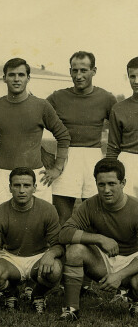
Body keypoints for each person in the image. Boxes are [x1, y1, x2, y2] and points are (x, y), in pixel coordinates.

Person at [0, 167, 63, 315]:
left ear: (34, 188)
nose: (21, 190)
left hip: (38, 258)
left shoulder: (48, 209)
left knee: (55, 269)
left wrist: (50, 254)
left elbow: (59, 245)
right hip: (11, 258)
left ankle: (38, 294)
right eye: (17, 185)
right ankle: (11, 292)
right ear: (10, 188)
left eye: (27, 186)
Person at [59, 159, 138, 321]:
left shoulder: (136, 208)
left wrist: (120, 275)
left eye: (112, 184)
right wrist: (100, 238)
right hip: (104, 261)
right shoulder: (90, 205)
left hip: (132, 264)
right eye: (101, 184)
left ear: (123, 183)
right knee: (75, 250)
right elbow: (64, 233)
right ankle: (71, 308)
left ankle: (134, 299)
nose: (106, 190)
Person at [0, 58, 70, 213]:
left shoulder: (41, 106)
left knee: (39, 225)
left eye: (21, 74)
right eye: (12, 75)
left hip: (36, 174)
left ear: (28, 78)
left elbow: (64, 136)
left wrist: (57, 168)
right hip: (4, 174)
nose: (17, 79)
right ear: (4, 78)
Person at [47, 51, 117, 225]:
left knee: (96, 215)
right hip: (66, 157)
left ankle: (94, 250)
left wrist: (111, 160)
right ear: (70, 71)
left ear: (94, 71)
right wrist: (44, 154)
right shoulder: (57, 97)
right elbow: (33, 120)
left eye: (84, 70)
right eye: (74, 70)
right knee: (62, 216)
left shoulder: (106, 98)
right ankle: (61, 251)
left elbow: (121, 128)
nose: (78, 76)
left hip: (93, 157)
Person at [106, 57, 138, 197]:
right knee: (128, 211)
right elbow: (113, 147)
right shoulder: (119, 108)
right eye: (132, 76)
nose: (136, 81)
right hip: (128, 163)